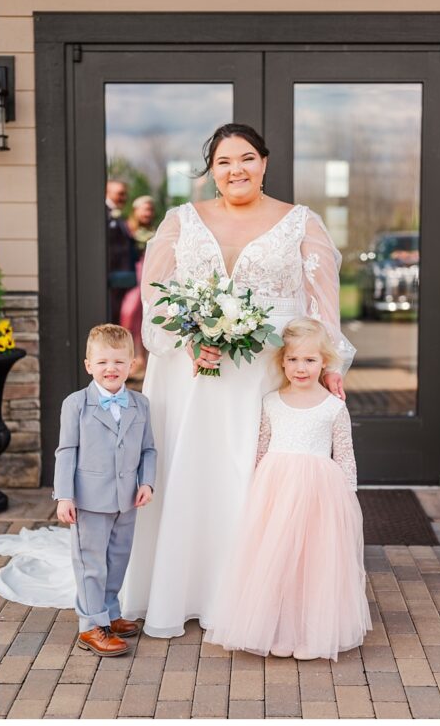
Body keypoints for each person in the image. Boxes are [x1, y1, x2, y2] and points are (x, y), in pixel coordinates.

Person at [120, 123, 356, 639]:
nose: (237, 171)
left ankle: (251, 594)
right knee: (194, 474)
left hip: (266, 376)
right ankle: (184, 589)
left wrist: (330, 368)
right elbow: (157, 298)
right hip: (192, 376)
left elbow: (324, 308)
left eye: (247, 158)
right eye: (225, 162)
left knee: (254, 477)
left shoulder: (301, 223)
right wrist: (186, 340)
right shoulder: (181, 221)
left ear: (265, 162)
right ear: (211, 170)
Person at [204, 319, 370, 660]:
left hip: (319, 493)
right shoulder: (271, 402)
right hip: (276, 490)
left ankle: (312, 633)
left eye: (309, 360)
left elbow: (345, 454)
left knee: (314, 562)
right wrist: (251, 488)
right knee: (276, 560)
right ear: (282, 361)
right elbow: (261, 448)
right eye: (293, 359)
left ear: (325, 362)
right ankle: (280, 629)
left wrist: (347, 499)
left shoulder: (333, 407)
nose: (301, 367)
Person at [54, 324, 156, 657]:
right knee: (91, 563)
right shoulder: (77, 405)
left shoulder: (140, 405)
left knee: (117, 560)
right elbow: (66, 451)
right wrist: (64, 496)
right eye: (102, 363)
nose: (110, 369)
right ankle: (90, 626)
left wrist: (147, 482)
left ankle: (110, 612)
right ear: (89, 366)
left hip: (126, 498)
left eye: (118, 362)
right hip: (89, 499)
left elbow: (148, 450)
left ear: (132, 364)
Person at [119, 196, 158, 372]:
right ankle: (126, 357)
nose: (147, 213)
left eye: (150, 210)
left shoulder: (156, 230)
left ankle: (142, 358)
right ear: (135, 210)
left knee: (146, 315)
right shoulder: (127, 228)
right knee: (129, 313)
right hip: (134, 275)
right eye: (144, 209)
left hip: (151, 273)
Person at [105, 180, 136, 324]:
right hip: (112, 275)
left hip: (121, 278)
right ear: (108, 193)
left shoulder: (118, 215)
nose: (124, 198)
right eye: (120, 194)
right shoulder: (104, 213)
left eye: (125, 194)